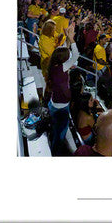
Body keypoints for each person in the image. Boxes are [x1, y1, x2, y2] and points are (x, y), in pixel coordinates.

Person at [46, 23, 79, 156]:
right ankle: (55, 154)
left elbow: (63, 51)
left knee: (55, 128)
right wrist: (72, 40)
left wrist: (67, 37)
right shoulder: (61, 69)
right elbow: (75, 55)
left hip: (53, 103)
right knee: (60, 134)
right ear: (65, 60)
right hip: (61, 107)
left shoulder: (54, 64)